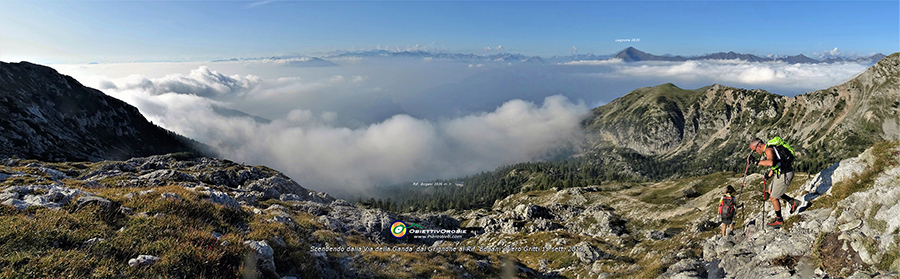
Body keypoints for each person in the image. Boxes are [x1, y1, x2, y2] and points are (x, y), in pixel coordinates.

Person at [747, 137, 800, 226]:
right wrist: (769, 175)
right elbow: (776, 163)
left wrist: (756, 162)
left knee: (773, 198)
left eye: (755, 150)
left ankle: (779, 220)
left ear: (759, 145)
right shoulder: (770, 148)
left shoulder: (768, 150)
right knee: (770, 192)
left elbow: (771, 162)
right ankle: (792, 201)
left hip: (785, 174)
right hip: (781, 172)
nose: (755, 152)